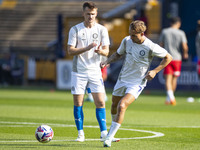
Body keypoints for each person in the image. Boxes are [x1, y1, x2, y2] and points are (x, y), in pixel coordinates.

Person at [100, 20, 172, 147]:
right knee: (114, 105)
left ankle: (109, 138)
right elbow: (118, 54)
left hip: (137, 82)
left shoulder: (150, 46)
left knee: (122, 106)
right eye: (130, 34)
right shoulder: (127, 40)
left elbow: (168, 57)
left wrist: (155, 71)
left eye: (134, 35)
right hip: (122, 79)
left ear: (142, 33)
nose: (131, 37)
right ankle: (113, 133)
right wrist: (106, 61)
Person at [67, 1, 117, 142]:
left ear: (96, 14)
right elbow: (70, 50)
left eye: (93, 14)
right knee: (78, 102)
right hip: (79, 71)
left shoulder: (102, 30)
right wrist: (87, 48)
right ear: (83, 13)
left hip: (95, 71)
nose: (90, 16)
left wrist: (99, 50)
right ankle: (80, 133)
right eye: (88, 14)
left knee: (101, 102)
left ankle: (103, 133)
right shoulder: (75, 29)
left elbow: (106, 51)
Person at [159, 17, 189, 105]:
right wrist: (185, 54)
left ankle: (170, 98)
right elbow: (184, 46)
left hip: (167, 57)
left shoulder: (165, 31)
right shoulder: (181, 33)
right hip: (177, 59)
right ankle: (171, 98)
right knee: (174, 78)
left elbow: (161, 44)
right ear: (178, 23)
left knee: (168, 78)